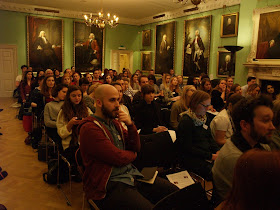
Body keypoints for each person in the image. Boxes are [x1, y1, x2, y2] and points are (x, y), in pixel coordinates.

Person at [78, 84, 178, 209]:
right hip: (108, 185)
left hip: (130, 175)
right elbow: (118, 157)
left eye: (118, 99)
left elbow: (136, 146)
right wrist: (134, 155)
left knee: (174, 193)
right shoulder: (89, 128)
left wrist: (130, 124)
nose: (117, 105)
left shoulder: (115, 123)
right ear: (98, 102)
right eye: (112, 100)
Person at [212, 95, 274, 204]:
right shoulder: (235, 158)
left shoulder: (261, 145)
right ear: (245, 125)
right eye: (265, 121)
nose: (272, 127)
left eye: (271, 120)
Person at [176, 90, 220, 180]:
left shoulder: (204, 117)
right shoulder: (186, 121)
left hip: (204, 154)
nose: (208, 108)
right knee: (219, 174)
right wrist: (210, 156)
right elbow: (188, 148)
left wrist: (217, 151)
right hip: (192, 158)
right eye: (205, 106)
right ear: (195, 104)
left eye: (209, 105)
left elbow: (209, 137)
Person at [56, 85, 93, 164]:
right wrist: (70, 124)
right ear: (69, 97)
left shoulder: (86, 109)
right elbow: (61, 133)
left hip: (85, 141)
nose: (77, 98)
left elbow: (93, 122)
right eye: (74, 96)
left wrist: (85, 121)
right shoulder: (63, 112)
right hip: (70, 144)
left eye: (79, 95)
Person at [44, 84, 68, 151]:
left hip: (66, 127)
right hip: (54, 128)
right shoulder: (49, 105)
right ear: (57, 92)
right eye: (64, 92)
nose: (65, 94)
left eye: (67, 92)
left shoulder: (67, 104)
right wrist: (61, 125)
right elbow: (47, 122)